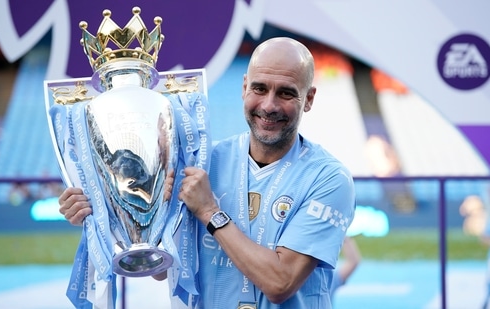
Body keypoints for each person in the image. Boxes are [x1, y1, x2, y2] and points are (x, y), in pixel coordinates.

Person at [59, 37, 356, 308]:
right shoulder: (202, 161)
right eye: (260, 88)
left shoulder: (328, 179)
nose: (269, 105)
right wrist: (105, 214)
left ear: (310, 99)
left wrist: (210, 212)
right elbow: (166, 270)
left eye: (287, 93)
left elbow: (281, 283)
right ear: (244, 88)